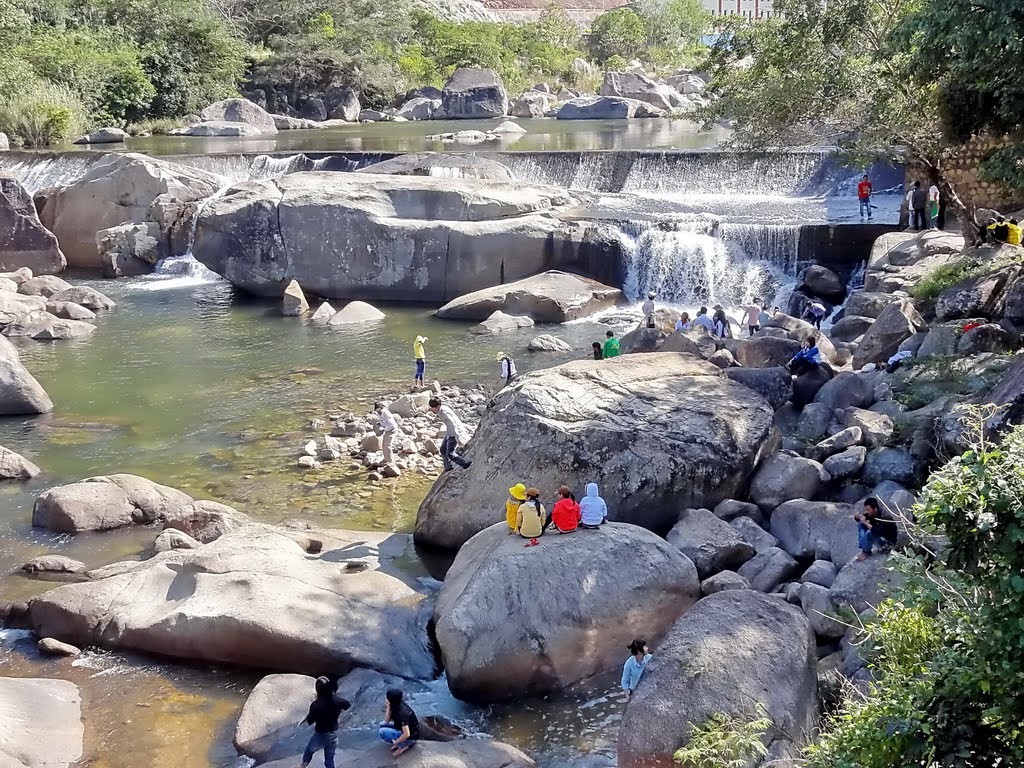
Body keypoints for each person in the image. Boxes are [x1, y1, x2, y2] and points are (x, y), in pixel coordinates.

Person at [297, 676, 351, 768]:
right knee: (329, 761)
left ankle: (302, 766)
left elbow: (311, 720)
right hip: (333, 735)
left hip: (320, 735)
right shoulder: (336, 700)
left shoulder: (316, 704)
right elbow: (347, 705)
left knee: (309, 751)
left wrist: (305, 719)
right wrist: (339, 712)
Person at [429, 397, 471, 471]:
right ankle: (448, 466)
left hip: (455, 432)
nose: (431, 409)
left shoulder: (445, 413)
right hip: (450, 431)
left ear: (438, 406)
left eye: (432, 407)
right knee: (442, 449)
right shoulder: (441, 409)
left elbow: (454, 425)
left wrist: (459, 439)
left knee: (450, 454)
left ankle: (464, 464)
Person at [379, 688, 419, 757]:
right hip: (401, 728)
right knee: (382, 724)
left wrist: (396, 742)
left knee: (382, 731)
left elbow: (407, 734)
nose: (385, 698)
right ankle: (402, 742)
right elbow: (387, 721)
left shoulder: (402, 713)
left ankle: (404, 745)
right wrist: (388, 707)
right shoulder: (396, 704)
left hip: (411, 736)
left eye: (387, 697)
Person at [854, 497, 897, 561]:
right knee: (861, 524)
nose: (866, 512)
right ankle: (864, 549)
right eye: (866, 510)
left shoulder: (885, 517)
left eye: (868, 510)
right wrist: (857, 517)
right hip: (879, 537)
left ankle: (866, 552)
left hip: (887, 543)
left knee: (869, 533)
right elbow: (863, 518)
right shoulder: (872, 514)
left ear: (875, 508)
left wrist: (866, 523)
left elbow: (877, 532)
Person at [374, 402, 399, 468]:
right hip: (387, 429)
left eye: (378, 410)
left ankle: (391, 461)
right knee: (384, 444)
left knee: (387, 445)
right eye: (376, 410)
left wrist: (383, 429)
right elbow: (383, 421)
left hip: (392, 429)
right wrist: (379, 423)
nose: (377, 412)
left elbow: (391, 424)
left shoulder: (386, 413)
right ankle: (386, 459)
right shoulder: (380, 413)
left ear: (381, 408)